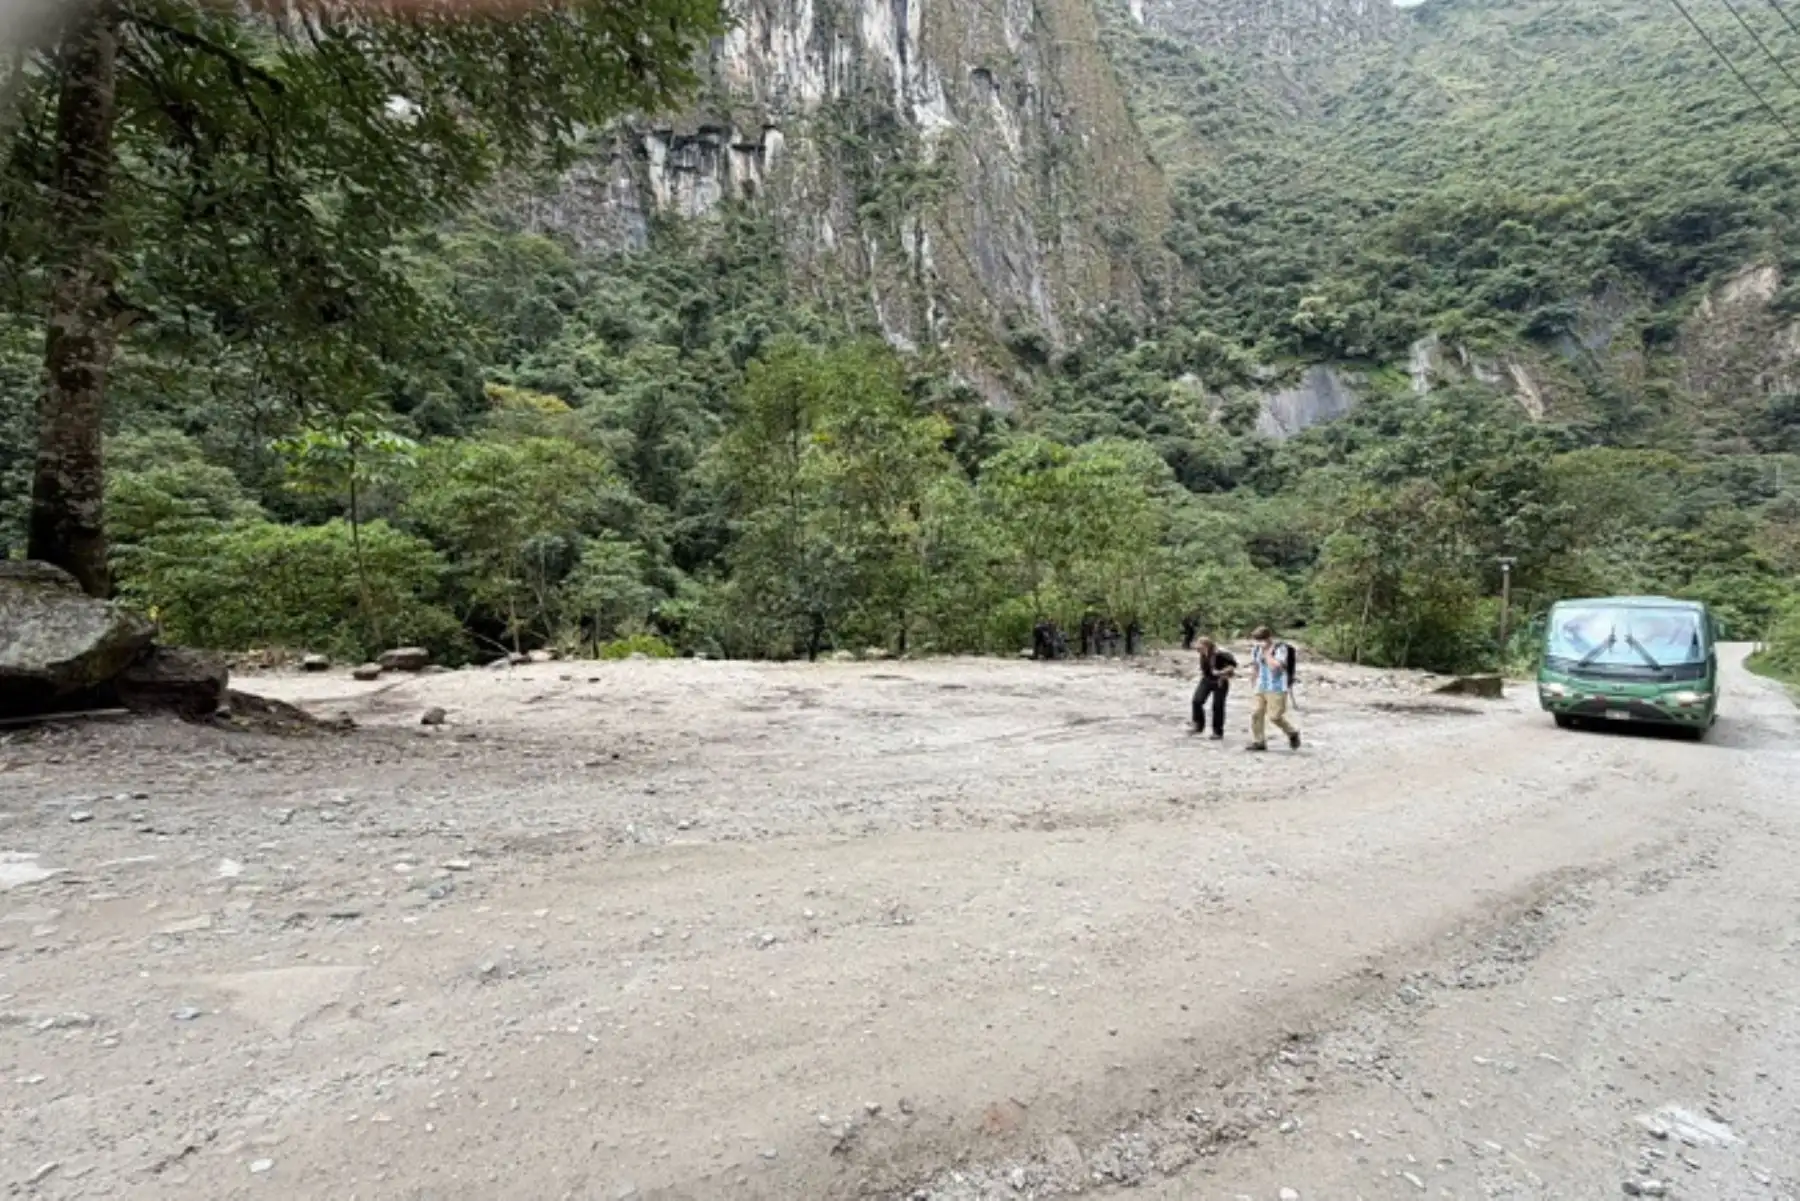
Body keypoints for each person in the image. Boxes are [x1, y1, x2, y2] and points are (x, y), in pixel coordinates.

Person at [1246, 625, 1301, 752]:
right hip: (1261, 685)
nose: (1259, 642)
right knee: (1256, 713)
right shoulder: (1256, 649)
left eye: (1261, 639)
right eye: (1257, 639)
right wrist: (1253, 680)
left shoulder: (1280, 649)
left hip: (1277, 687)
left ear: (1268, 638)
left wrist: (1267, 653)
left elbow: (1275, 667)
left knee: (1274, 716)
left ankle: (1292, 732)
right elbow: (1256, 665)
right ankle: (1259, 741)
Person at [1190, 636, 1237, 739]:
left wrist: (1221, 672)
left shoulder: (1220, 653)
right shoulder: (1203, 654)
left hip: (1220, 680)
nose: (1198, 651)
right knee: (1196, 701)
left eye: (1199, 648)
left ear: (1206, 646)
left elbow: (1232, 667)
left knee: (1218, 706)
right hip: (1207, 679)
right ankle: (1198, 725)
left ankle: (1218, 732)